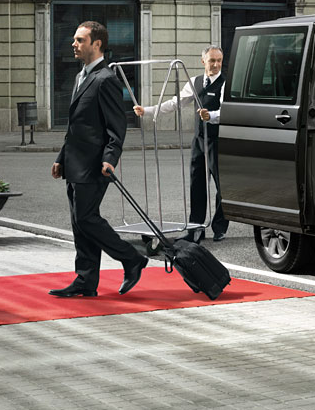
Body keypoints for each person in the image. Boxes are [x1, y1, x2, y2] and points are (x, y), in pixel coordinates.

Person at [48, 21, 150, 298]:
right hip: (74, 162)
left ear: (97, 44)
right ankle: (85, 280)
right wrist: (61, 158)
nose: (74, 44)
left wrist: (110, 158)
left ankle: (131, 258)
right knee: (79, 223)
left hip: (94, 165)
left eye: (80, 40)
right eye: (75, 39)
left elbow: (116, 126)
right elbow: (76, 126)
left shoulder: (106, 79)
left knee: (87, 219)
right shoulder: (81, 76)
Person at [133, 46, 228, 240]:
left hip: (219, 142)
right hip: (199, 141)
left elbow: (228, 111)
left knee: (223, 187)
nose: (216, 65)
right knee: (197, 184)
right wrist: (148, 110)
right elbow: (176, 103)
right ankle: (196, 229)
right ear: (203, 61)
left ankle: (220, 227)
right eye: (212, 61)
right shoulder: (195, 82)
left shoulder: (226, 84)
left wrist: (212, 115)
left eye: (219, 61)